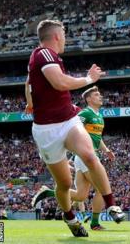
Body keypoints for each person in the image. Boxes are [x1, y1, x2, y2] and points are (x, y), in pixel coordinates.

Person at [26, 20, 123, 237]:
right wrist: (89, 79)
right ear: (57, 36)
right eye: (64, 35)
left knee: (90, 155)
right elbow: (60, 83)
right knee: (64, 183)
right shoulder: (44, 54)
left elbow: (28, 83)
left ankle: (111, 204)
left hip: (68, 119)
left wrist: (30, 101)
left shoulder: (42, 58)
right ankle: (69, 217)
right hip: (46, 130)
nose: (66, 40)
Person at [32, 86, 123, 231]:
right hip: (86, 156)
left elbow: (97, 138)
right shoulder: (85, 113)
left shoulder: (99, 116)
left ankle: (48, 192)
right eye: (97, 95)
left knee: (81, 196)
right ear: (88, 99)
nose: (101, 97)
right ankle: (94, 223)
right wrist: (66, 155)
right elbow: (70, 131)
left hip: (85, 158)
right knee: (102, 189)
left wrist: (106, 150)